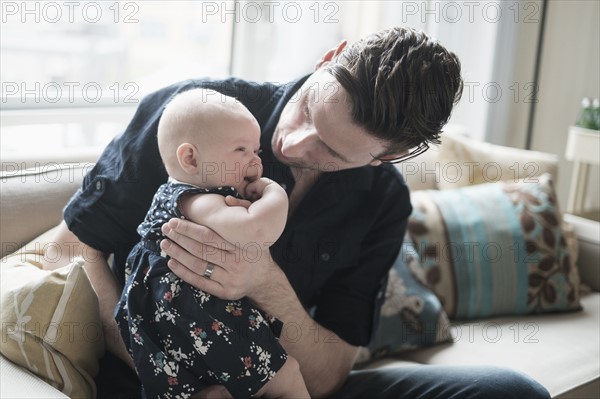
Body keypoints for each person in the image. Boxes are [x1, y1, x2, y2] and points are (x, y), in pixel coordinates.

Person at [43, 27, 551, 398]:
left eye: (332, 151)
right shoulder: (193, 117)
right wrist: (161, 364)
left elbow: (329, 374)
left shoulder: (382, 201)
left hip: (278, 376)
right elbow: (67, 250)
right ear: (330, 56)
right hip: (153, 375)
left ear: (386, 157)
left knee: (510, 391)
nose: (291, 142)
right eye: (309, 109)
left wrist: (263, 280)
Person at [114, 88, 309, 398]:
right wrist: (275, 193)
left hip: (179, 335)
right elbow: (256, 231)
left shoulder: (185, 198)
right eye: (241, 150)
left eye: (256, 151)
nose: (255, 162)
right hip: (198, 323)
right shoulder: (195, 201)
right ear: (191, 158)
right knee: (287, 377)